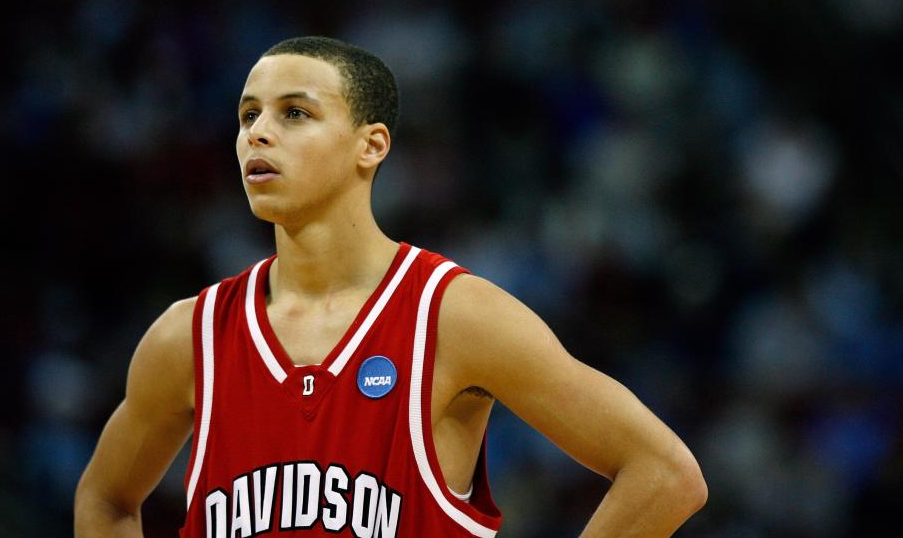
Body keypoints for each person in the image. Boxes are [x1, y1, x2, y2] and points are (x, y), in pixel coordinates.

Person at [74, 36, 707, 537]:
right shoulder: (190, 336)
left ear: (370, 145)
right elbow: (105, 499)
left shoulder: (454, 316)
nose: (257, 133)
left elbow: (666, 474)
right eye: (247, 115)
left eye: (294, 113)